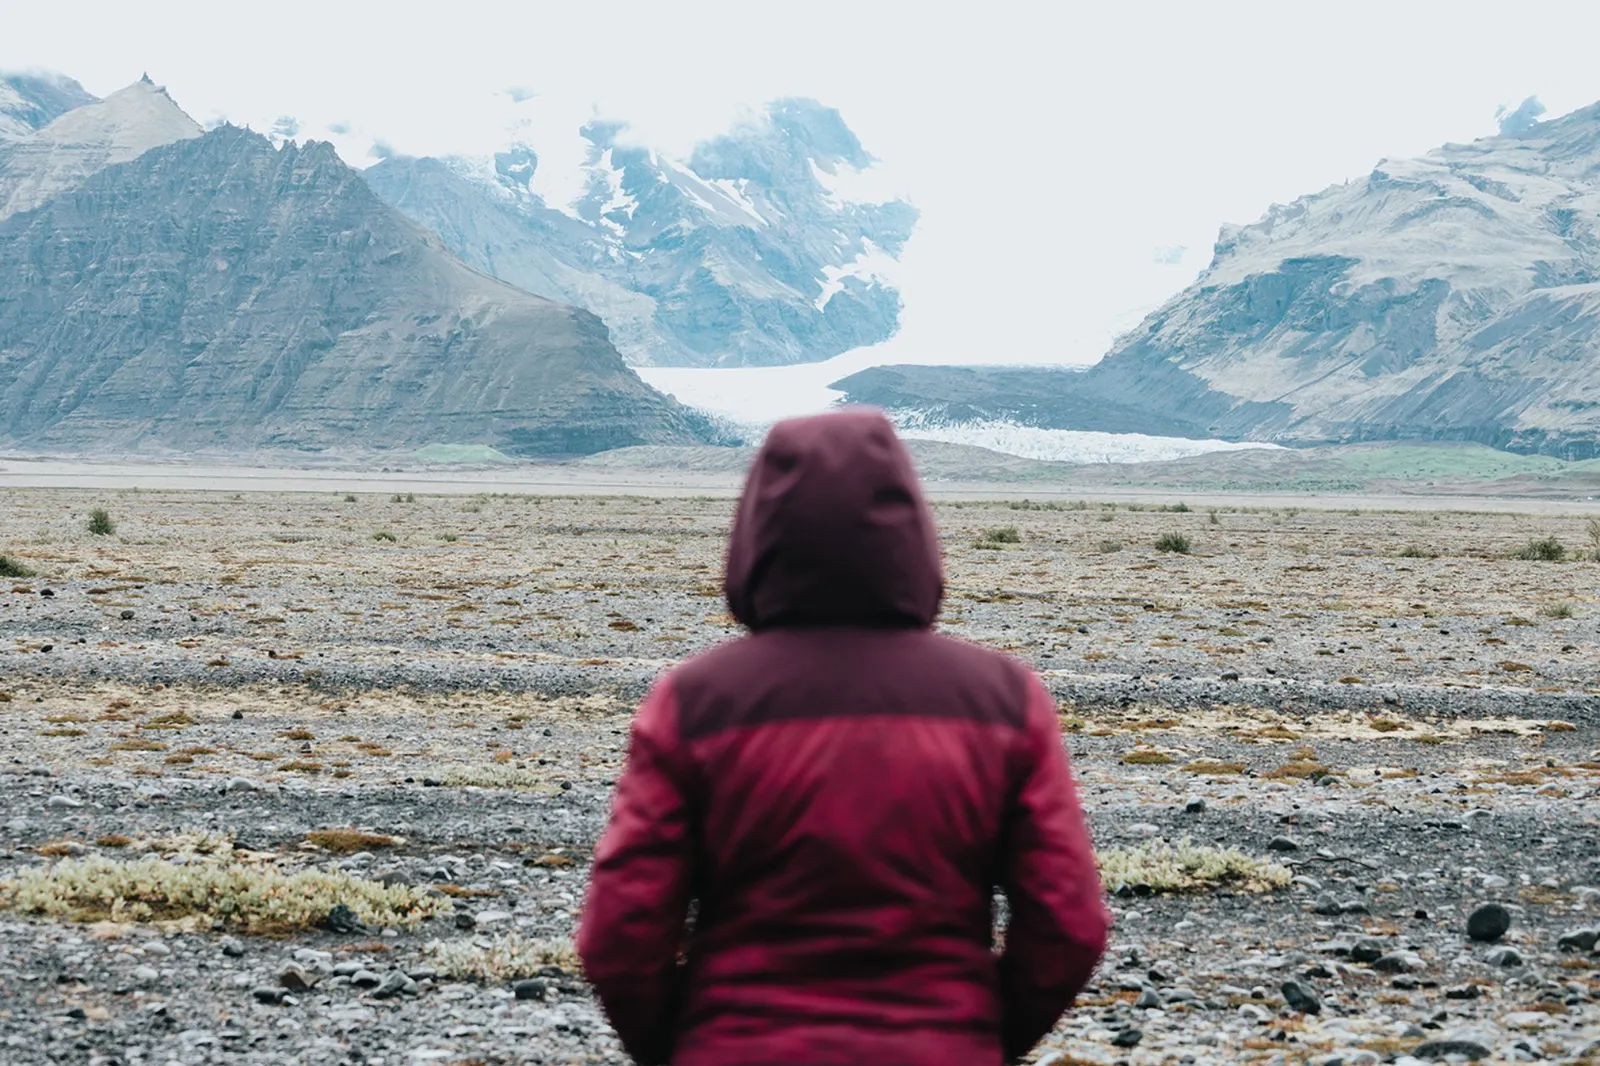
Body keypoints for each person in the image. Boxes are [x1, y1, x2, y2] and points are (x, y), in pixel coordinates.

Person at [577, 408, 1110, 1066]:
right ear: (912, 527)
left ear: (758, 531)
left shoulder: (694, 704)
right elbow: (1070, 926)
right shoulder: (1001, 700)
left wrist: (679, 1045)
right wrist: (983, 1038)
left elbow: (620, 935)